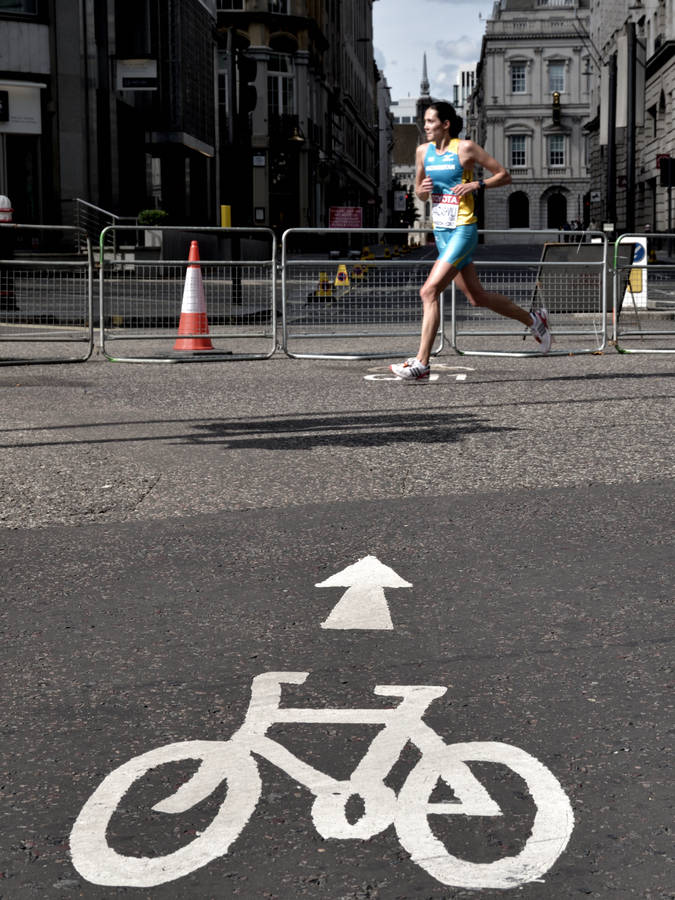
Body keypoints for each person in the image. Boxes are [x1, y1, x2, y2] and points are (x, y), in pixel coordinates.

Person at [390, 102, 551, 381]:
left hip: (463, 228)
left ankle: (422, 363)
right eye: (424, 121)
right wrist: (422, 190)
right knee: (476, 298)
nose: (425, 126)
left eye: (430, 121)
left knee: (428, 291)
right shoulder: (422, 152)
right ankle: (534, 320)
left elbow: (504, 175)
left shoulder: (465, 148)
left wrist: (477, 185)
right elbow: (420, 193)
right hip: (441, 230)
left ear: (446, 124)